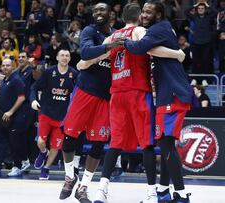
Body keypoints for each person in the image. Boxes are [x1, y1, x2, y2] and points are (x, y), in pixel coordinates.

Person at [77, 3, 186, 203]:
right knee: (147, 145)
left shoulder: (113, 37)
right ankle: (152, 194)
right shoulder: (140, 31)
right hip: (138, 92)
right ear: (139, 16)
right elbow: (153, 50)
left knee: (115, 144)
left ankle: (101, 192)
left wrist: (86, 61)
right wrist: (177, 53)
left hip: (117, 94)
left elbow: (84, 62)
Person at [121, 1, 193, 202]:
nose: (144, 14)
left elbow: (140, 48)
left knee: (166, 144)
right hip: (167, 92)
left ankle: (180, 193)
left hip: (172, 93)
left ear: (159, 14)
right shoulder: (161, 28)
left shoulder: (158, 28)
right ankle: (163, 191)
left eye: (148, 11)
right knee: (166, 142)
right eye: (143, 11)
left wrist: (124, 41)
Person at [59, 3, 118, 203]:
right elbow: (85, 53)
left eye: (102, 10)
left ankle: (83, 187)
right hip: (85, 91)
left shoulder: (119, 33)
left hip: (106, 97)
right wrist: (110, 47)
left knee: (98, 144)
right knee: (69, 138)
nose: (98, 13)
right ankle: (69, 176)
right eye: (95, 11)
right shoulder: (90, 30)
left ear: (111, 13)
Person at [31, 49, 78, 180]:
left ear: (69, 59)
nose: (64, 57)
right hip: (46, 112)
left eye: (67, 55)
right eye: (62, 55)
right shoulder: (48, 72)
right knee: (41, 141)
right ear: (57, 57)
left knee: (56, 146)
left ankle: (46, 168)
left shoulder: (74, 74)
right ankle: (42, 152)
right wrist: (34, 100)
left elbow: (79, 92)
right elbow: (34, 87)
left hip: (62, 117)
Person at [0, 58, 26, 177]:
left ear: (13, 67)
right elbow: (1, 99)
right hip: (2, 117)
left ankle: (18, 166)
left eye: (8, 65)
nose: (5, 67)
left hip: (15, 118)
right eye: (4, 65)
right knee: (0, 142)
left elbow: (21, 98)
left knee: (14, 143)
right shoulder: (3, 81)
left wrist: (11, 112)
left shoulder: (16, 80)